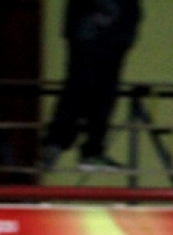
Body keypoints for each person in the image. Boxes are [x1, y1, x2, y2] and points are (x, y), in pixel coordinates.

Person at [41, 0, 141, 173]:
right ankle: (58, 143)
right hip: (96, 32)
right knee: (81, 90)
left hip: (109, 34)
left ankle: (85, 149)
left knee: (101, 96)